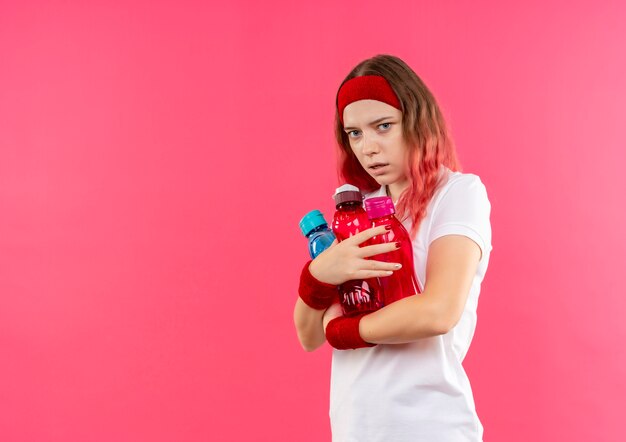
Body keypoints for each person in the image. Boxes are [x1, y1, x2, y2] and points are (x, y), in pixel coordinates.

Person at [293, 54, 492, 441]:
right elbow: (308, 336)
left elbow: (438, 311)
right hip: (355, 426)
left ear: (417, 121)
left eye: (383, 126)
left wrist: (344, 331)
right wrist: (319, 274)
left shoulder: (457, 194)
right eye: (355, 133)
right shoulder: (356, 213)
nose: (368, 148)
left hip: (430, 425)